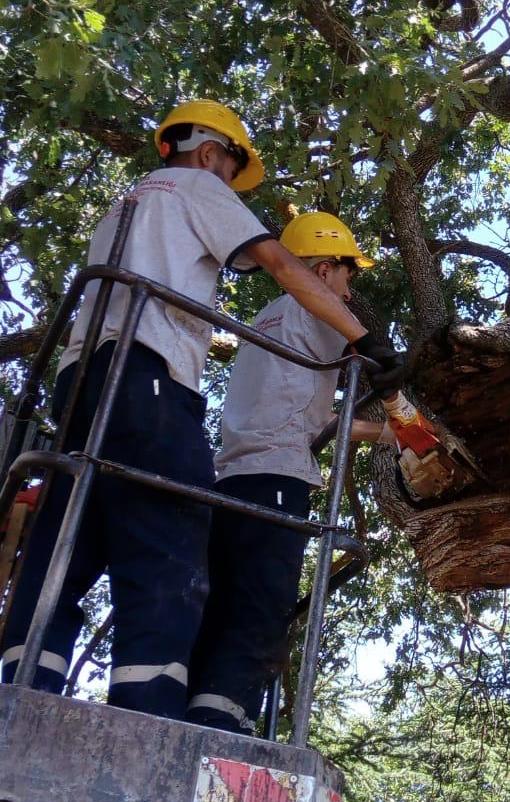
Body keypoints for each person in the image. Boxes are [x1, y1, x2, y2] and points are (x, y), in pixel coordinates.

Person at [0, 101, 401, 720]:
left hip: (79, 379)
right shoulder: (195, 185)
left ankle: (22, 688)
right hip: (148, 373)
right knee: (171, 538)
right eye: (229, 170)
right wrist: (372, 345)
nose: (228, 185)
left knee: (72, 534)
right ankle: (151, 717)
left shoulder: (127, 203)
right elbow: (278, 263)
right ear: (210, 152)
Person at [186, 212, 396, 735]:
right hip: (279, 476)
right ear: (324, 270)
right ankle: (223, 717)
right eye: (348, 275)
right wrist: (405, 410)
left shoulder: (267, 318)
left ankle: (194, 706)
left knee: (224, 598)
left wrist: (391, 436)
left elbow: (323, 421)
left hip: (231, 477)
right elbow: (378, 365)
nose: (349, 291)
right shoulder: (317, 308)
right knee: (262, 599)